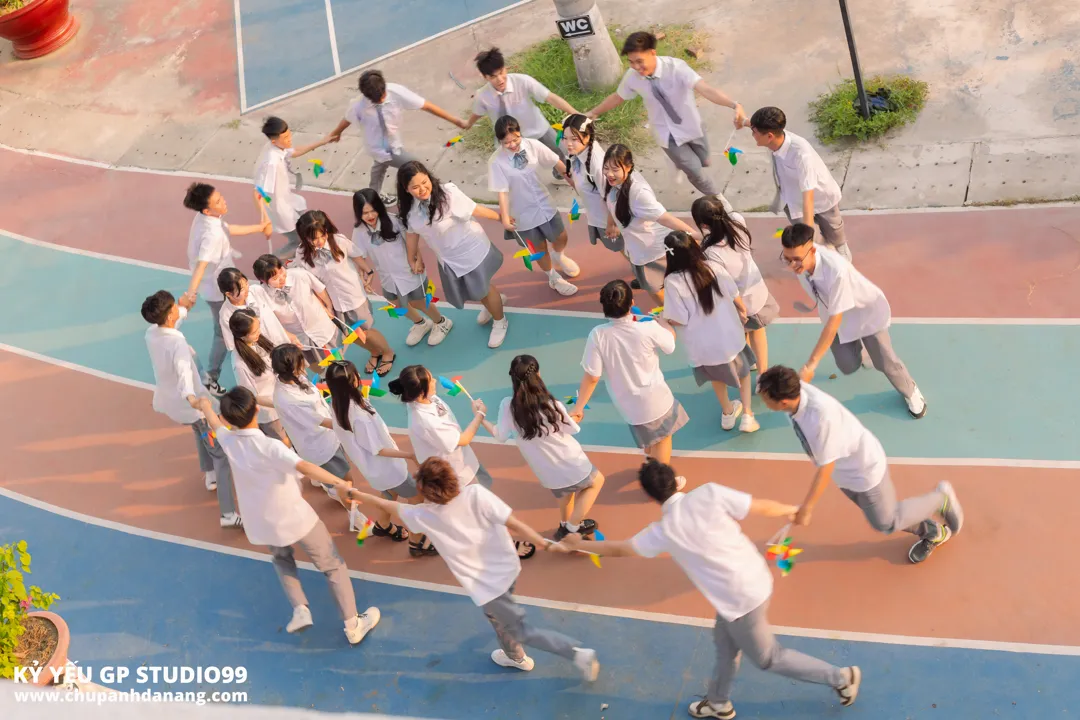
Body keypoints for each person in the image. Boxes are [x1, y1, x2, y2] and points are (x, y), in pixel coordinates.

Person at [561, 459, 861, 718]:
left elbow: (622, 548)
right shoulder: (709, 493)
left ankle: (840, 678)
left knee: (768, 658)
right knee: (725, 646)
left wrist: (579, 544)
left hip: (742, 601)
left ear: (651, 496)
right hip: (750, 581)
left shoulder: (663, 531)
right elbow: (759, 505)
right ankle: (719, 702)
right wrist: (791, 510)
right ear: (675, 480)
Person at [349, 457, 600, 679]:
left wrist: (357, 494)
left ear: (427, 492)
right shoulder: (476, 494)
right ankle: (514, 648)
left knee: (519, 630)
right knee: (504, 618)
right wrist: (544, 543)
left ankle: (564, 655)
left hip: (488, 587)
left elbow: (388, 505)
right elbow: (514, 523)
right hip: (508, 567)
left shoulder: (423, 515)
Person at [191, 387, 380, 645]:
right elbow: (305, 467)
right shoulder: (270, 447)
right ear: (257, 409)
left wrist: (205, 406)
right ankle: (353, 625)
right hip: (295, 517)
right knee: (333, 565)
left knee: (282, 560)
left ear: (228, 419)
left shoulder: (229, 441)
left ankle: (300, 607)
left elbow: (215, 424)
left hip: (262, 522)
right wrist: (339, 483)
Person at [757, 366, 963, 564]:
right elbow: (805, 375)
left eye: (765, 398)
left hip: (864, 471)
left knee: (886, 522)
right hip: (845, 474)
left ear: (783, 402)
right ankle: (934, 532)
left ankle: (940, 499)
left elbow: (825, 469)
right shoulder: (796, 388)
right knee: (883, 516)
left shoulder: (820, 419)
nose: (762, 400)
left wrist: (807, 508)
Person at [779, 224, 926, 418]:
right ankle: (863, 350)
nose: (792, 265)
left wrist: (810, 365)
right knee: (847, 365)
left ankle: (911, 391)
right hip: (838, 314)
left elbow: (834, 323)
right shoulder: (802, 264)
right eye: (787, 259)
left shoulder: (836, 270)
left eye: (796, 259)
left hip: (865, 313)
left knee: (884, 361)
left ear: (812, 250)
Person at [587, 31, 746, 196]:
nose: (635, 67)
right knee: (695, 171)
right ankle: (717, 198)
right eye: (631, 62)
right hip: (665, 133)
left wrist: (734, 105)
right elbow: (618, 97)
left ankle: (675, 161)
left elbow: (706, 89)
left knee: (705, 161)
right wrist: (594, 112)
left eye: (639, 61)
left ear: (652, 53)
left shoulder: (677, 68)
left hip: (691, 126)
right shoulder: (632, 77)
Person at [387, 365, 513, 557]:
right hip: (453, 473)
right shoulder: (425, 421)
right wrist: (480, 415)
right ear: (420, 391)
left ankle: (419, 541)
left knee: (462, 507)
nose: (435, 381)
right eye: (430, 380)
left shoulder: (428, 399)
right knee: (469, 510)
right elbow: (463, 439)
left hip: (463, 462)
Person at [140, 290, 241, 528]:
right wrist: (193, 399)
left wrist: (184, 308)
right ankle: (228, 514)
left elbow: (172, 326)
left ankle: (209, 474)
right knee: (221, 454)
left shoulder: (151, 333)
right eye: (175, 306)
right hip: (190, 404)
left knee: (199, 429)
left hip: (172, 403)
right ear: (169, 314)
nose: (177, 307)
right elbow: (184, 371)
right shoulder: (177, 343)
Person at [572, 280, 689, 483]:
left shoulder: (598, 335)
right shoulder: (648, 328)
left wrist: (579, 407)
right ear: (631, 302)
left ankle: (651, 460)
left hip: (628, 406)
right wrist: (664, 323)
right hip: (656, 400)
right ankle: (663, 484)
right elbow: (670, 345)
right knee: (663, 439)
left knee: (649, 437)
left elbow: (592, 376)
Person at [485, 355, 605, 540]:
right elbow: (572, 428)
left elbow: (500, 435)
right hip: (569, 461)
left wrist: (481, 417)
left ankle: (564, 526)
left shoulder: (508, 406)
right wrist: (575, 415)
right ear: (538, 374)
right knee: (597, 482)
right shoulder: (550, 405)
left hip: (545, 469)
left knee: (565, 495)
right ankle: (572, 528)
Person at [397, 161, 509, 348]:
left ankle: (500, 320)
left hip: (471, 252)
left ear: (429, 177)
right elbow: (411, 233)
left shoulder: (448, 193)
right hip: (449, 260)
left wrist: (501, 218)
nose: (422, 189)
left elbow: (475, 209)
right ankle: (493, 303)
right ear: (406, 189)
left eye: (425, 182)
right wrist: (412, 258)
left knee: (482, 289)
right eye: (415, 187)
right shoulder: (409, 210)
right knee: (477, 289)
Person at [661, 232, 758, 433]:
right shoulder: (713, 267)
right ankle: (747, 414)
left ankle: (728, 412)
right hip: (729, 335)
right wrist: (742, 311)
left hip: (702, 345)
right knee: (744, 373)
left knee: (716, 376)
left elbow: (680, 318)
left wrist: (663, 318)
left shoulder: (672, 281)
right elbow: (734, 293)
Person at [181, 183, 272, 397]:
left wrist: (260, 227)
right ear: (207, 210)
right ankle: (210, 378)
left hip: (225, 280)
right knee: (223, 332)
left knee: (240, 319)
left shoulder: (206, 218)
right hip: (218, 290)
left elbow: (228, 229)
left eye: (221, 197)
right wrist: (190, 295)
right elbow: (202, 265)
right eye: (218, 201)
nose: (224, 201)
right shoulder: (211, 235)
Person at [327, 70, 467, 205]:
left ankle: (372, 197)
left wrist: (455, 120)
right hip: (379, 148)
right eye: (376, 100)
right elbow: (347, 119)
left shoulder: (396, 92)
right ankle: (438, 198)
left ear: (384, 87)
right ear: (366, 95)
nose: (381, 101)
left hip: (392, 142)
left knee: (379, 168)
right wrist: (336, 133)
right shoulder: (358, 106)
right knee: (417, 169)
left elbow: (426, 106)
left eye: (382, 97)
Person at [267, 345, 362, 527]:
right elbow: (322, 422)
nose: (305, 362)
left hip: (325, 439)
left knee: (335, 478)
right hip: (321, 445)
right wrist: (353, 424)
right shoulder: (290, 400)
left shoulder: (293, 379)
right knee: (346, 481)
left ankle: (326, 484)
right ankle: (355, 518)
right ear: (294, 366)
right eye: (301, 359)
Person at [294, 209, 396, 377]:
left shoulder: (339, 241)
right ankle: (374, 352)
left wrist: (368, 272)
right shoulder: (301, 254)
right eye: (313, 238)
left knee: (367, 331)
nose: (319, 241)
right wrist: (324, 306)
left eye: (322, 235)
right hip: (331, 304)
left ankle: (387, 352)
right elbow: (309, 282)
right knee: (351, 335)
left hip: (353, 298)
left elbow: (356, 256)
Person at [325, 360, 416, 544]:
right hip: (389, 468)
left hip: (374, 469)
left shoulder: (338, 403)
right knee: (417, 498)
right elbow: (379, 449)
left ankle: (383, 525)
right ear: (353, 380)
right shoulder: (359, 417)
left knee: (390, 493)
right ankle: (418, 540)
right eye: (356, 373)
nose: (359, 375)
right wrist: (410, 455)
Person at [489, 115, 579, 296]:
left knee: (561, 236)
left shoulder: (532, 145)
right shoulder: (496, 162)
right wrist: (505, 218)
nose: (512, 145)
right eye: (507, 142)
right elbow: (502, 192)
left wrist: (575, 183)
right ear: (499, 141)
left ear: (519, 132)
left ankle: (559, 255)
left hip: (544, 203)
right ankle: (553, 277)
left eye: (515, 139)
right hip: (522, 213)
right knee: (539, 248)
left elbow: (557, 163)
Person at [351, 188, 452, 347]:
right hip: (387, 277)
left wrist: (418, 260)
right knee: (397, 304)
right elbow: (359, 255)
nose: (370, 216)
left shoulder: (395, 221)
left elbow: (412, 242)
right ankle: (421, 323)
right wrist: (364, 275)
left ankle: (441, 322)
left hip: (408, 271)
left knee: (419, 302)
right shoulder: (359, 231)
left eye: (373, 211)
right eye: (365, 213)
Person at [602, 144, 701, 305]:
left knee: (660, 290)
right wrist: (611, 223)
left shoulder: (638, 194)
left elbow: (665, 218)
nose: (609, 173)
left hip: (652, 252)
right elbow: (612, 202)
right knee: (665, 285)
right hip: (639, 248)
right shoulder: (614, 183)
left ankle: (672, 314)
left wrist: (695, 234)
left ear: (629, 167)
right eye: (606, 168)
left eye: (615, 169)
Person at [749, 106, 852, 261]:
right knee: (815, 241)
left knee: (834, 231)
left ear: (769, 136)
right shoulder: (777, 134)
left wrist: (806, 239)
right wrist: (743, 120)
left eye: (754, 132)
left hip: (820, 196)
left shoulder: (801, 154)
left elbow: (808, 199)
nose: (752, 135)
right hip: (793, 199)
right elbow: (755, 126)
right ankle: (821, 253)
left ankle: (840, 247)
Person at [693, 195, 779, 373]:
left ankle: (759, 369)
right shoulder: (737, 223)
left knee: (748, 331)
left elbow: (725, 285)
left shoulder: (711, 252)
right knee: (754, 330)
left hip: (738, 302)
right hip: (756, 292)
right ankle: (759, 369)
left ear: (703, 225)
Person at [464, 47, 579, 180]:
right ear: (485, 77)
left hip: (537, 129)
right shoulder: (482, 96)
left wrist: (576, 113)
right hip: (510, 140)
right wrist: (468, 123)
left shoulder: (522, 81)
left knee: (559, 152)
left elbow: (550, 97)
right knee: (520, 169)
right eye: (493, 77)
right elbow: (477, 113)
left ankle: (560, 177)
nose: (500, 79)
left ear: (505, 68)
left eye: (501, 72)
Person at [254, 117, 332, 259]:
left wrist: (321, 142)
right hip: (281, 212)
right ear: (274, 141)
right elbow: (258, 193)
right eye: (285, 137)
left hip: (289, 202)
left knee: (308, 231)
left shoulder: (278, 148)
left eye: (289, 134)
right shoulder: (271, 163)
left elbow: (294, 151)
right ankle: (271, 262)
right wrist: (265, 221)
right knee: (299, 241)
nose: (290, 139)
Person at [252, 254, 340, 374]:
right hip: (298, 338)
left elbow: (319, 289)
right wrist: (288, 335)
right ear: (263, 281)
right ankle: (325, 378)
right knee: (316, 367)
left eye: (281, 271)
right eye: (275, 278)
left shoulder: (299, 275)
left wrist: (328, 306)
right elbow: (270, 319)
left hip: (321, 328)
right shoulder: (262, 294)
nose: (281, 278)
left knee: (339, 364)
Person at [227, 309, 290, 445]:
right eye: (254, 332)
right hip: (271, 414)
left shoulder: (258, 341)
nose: (259, 333)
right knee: (284, 445)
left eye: (258, 327)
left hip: (283, 401)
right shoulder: (240, 364)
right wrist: (279, 403)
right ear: (243, 336)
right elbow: (252, 396)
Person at [216, 268, 295, 353]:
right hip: (261, 353)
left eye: (246, 283)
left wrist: (287, 334)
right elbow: (233, 346)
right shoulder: (226, 315)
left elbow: (274, 315)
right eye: (242, 289)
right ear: (228, 294)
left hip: (282, 341)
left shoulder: (256, 291)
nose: (247, 289)